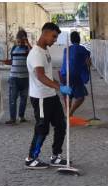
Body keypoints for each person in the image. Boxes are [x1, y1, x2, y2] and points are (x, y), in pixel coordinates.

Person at [25, 22, 73, 169]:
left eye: (56, 37)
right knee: (42, 129)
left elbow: (47, 75)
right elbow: (40, 76)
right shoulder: (36, 54)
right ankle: (31, 158)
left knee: (60, 125)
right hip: (40, 97)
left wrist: (60, 83)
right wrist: (60, 87)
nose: (55, 40)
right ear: (45, 33)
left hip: (50, 95)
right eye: (53, 36)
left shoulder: (45, 51)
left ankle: (56, 156)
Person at [1, 29, 30, 125]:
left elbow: (33, 55)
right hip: (13, 77)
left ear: (25, 40)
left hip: (25, 78)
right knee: (12, 98)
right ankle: (12, 118)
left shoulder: (27, 49)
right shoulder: (13, 48)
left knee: (23, 98)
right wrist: (5, 61)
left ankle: (21, 116)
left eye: (22, 41)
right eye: (18, 41)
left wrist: (28, 43)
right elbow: (12, 61)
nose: (20, 43)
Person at [59, 31, 92, 117]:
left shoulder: (66, 49)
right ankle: (70, 113)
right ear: (79, 39)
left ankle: (67, 116)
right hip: (74, 75)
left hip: (63, 75)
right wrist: (87, 65)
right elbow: (88, 63)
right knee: (81, 97)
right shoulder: (83, 49)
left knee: (68, 95)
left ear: (71, 40)